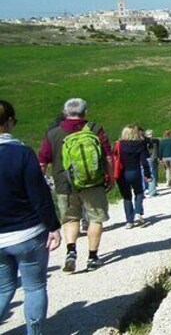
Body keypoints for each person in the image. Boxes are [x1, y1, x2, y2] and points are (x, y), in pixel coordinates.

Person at [0, 100, 62, 335]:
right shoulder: (22, 153)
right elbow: (39, 195)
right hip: (28, 232)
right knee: (34, 287)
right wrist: (53, 226)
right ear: (9, 122)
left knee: (3, 290)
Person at [39, 98, 113, 273]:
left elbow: (43, 161)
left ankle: (71, 251)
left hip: (64, 184)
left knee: (70, 219)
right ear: (85, 112)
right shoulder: (95, 130)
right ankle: (93, 257)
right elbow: (108, 157)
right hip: (93, 182)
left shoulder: (53, 133)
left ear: (65, 113)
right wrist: (111, 177)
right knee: (95, 219)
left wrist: (40, 183)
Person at [114, 126, 152, 229]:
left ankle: (129, 221)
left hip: (122, 173)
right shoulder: (139, 144)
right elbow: (144, 161)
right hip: (135, 171)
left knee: (126, 196)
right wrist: (148, 174)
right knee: (139, 192)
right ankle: (138, 212)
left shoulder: (118, 144)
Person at [144, 129, 160, 197]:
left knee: (146, 172)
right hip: (153, 157)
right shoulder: (155, 141)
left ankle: (147, 187)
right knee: (153, 173)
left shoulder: (143, 141)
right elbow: (157, 150)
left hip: (145, 158)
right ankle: (153, 189)